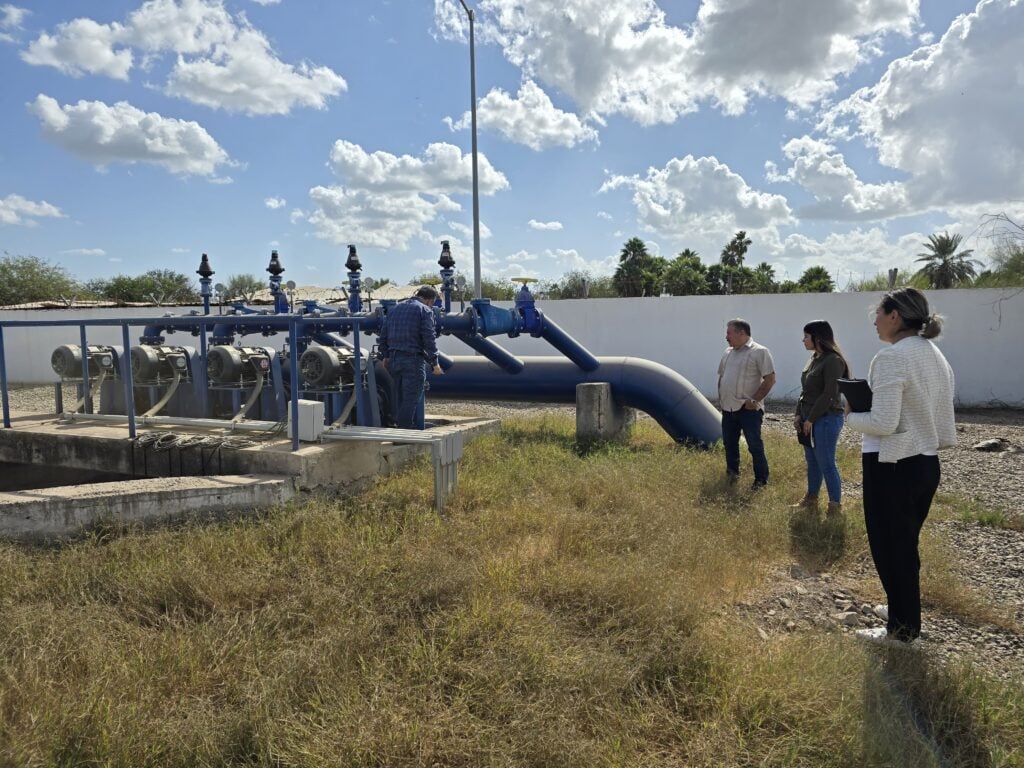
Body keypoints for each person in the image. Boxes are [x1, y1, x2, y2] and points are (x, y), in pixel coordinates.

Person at [845, 288, 956, 643]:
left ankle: (902, 632)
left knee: (892, 547)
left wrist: (852, 415)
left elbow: (883, 423)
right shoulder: (934, 354)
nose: (873, 321)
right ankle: (900, 609)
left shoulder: (892, 357)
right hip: (924, 462)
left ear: (895, 316)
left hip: (892, 463)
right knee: (904, 545)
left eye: (877, 313)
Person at [791, 320, 850, 515]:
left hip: (825, 418)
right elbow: (806, 391)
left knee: (826, 462)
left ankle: (834, 506)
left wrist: (811, 419)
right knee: (812, 461)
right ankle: (811, 499)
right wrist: (799, 414)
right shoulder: (815, 358)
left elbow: (829, 394)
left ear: (817, 338)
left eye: (806, 336)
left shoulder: (832, 360)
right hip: (810, 417)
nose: (803, 340)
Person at [717, 318, 776, 488]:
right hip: (728, 408)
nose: (726, 336)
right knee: (729, 444)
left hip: (748, 410)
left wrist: (754, 400)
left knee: (754, 445)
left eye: (729, 332)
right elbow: (722, 376)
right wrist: (721, 398)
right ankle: (732, 474)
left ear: (741, 333)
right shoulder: (728, 352)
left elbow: (770, 379)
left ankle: (761, 480)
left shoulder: (760, 352)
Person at [378, 285, 443, 429]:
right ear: (429, 300)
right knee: (411, 397)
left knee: (399, 396)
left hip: (393, 360)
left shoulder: (394, 310)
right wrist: (435, 362)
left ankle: (397, 425)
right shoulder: (424, 310)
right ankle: (404, 432)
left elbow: (383, 336)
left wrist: (386, 356)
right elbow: (428, 338)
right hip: (412, 360)